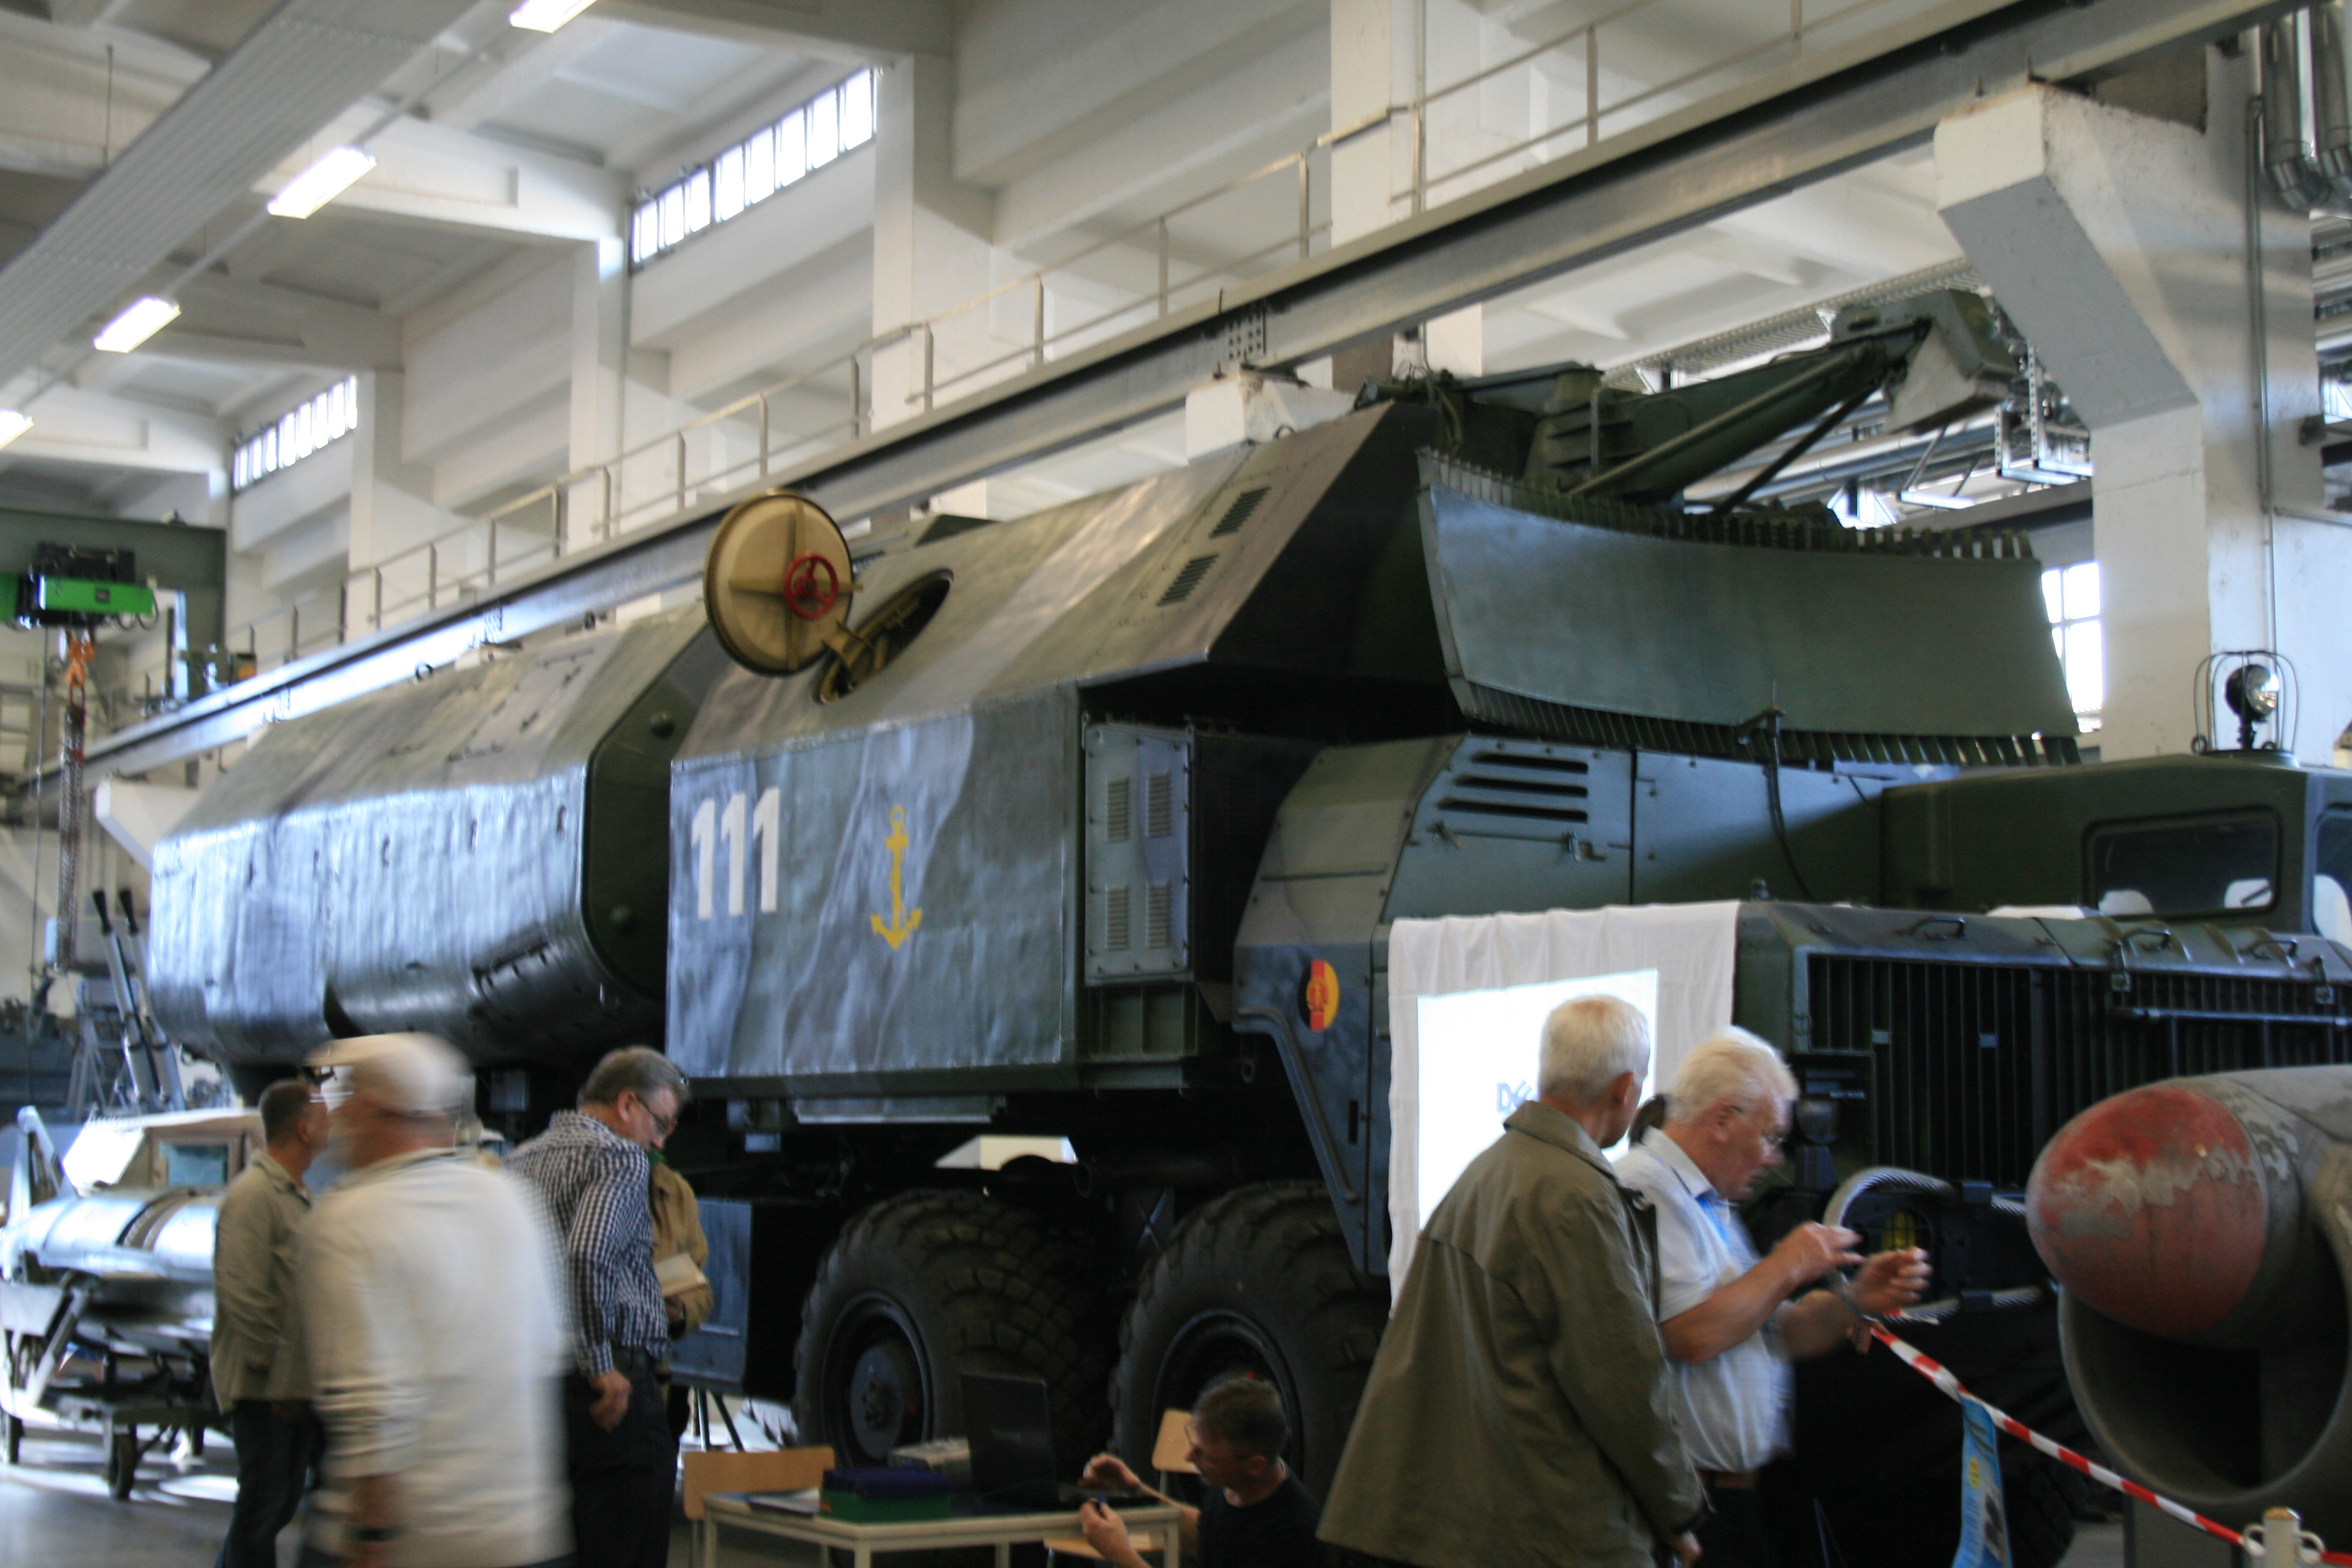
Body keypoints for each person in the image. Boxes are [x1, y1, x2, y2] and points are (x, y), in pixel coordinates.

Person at [1319, 995, 1705, 1568]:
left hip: (1461, 1522)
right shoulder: (1575, 1198)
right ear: (1626, 1089)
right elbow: (1622, 1385)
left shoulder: (1484, 1175)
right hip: (1548, 1528)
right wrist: (1677, 1510)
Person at [1614, 1028, 1932, 1568]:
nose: (1773, 1159)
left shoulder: (1709, 1202)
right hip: (1684, 1510)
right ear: (1721, 1121)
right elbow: (1692, 1335)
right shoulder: (1649, 1190)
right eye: (1769, 1136)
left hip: (1733, 1502)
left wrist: (1855, 1300)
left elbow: (1773, 1333)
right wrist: (1786, 1267)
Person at [298, 1033, 568, 1568]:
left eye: (341, 1104)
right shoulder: (510, 1200)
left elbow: (372, 1405)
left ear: (370, 1109)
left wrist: (373, 1539)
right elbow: (544, 1353)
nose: (334, 1121)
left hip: (415, 1539)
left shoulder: (349, 1217)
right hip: (524, 1535)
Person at [507, 1047, 690, 1568]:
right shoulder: (620, 1159)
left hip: (540, 1388)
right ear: (627, 1103)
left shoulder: (521, 1159)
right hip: (610, 1400)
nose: (659, 1142)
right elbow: (588, 1253)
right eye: (661, 1123)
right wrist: (599, 1366)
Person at [212, 1077, 328, 1568]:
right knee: (262, 1506)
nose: (333, 1125)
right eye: (325, 1117)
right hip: (263, 1390)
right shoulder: (252, 1196)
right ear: (304, 1129)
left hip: (291, 1386)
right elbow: (244, 1295)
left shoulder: (297, 1194)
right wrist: (278, 1380)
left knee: (278, 1504)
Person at [1076, 1378, 1321, 1568]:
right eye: (1195, 1446)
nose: (1189, 1458)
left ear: (1255, 1465)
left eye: (1208, 1456)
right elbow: (1212, 1535)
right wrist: (1135, 1491)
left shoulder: (1293, 1535)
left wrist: (1121, 1555)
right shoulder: (1236, 1486)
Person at [648, 1150, 712, 1440]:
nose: (660, 1140)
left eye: (668, 1124)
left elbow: (700, 1288)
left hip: (656, 1383)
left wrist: (681, 1311)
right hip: (598, 1381)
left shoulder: (675, 1192)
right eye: (659, 1122)